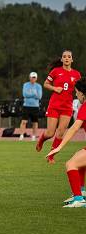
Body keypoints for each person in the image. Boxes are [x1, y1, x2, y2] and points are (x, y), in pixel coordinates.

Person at [46, 78, 86, 208]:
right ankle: (82, 193)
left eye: (76, 92)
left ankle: (79, 199)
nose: (76, 95)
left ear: (83, 93)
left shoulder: (85, 107)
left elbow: (74, 128)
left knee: (71, 164)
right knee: (78, 157)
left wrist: (59, 147)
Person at [36, 50, 81, 163]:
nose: (66, 58)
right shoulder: (56, 71)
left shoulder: (76, 74)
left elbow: (80, 89)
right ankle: (41, 140)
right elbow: (46, 84)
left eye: (69, 56)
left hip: (67, 106)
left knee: (61, 132)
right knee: (50, 133)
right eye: (64, 56)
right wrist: (55, 88)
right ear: (61, 59)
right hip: (54, 105)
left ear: (72, 59)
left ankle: (51, 156)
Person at [19, 72, 42, 141]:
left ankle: (34, 136)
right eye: (32, 77)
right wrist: (34, 94)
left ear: (36, 78)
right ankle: (21, 135)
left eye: (34, 77)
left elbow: (39, 96)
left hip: (35, 106)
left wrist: (30, 94)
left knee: (35, 122)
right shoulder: (26, 85)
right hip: (26, 106)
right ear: (29, 77)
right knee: (24, 121)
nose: (33, 79)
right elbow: (25, 94)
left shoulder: (38, 86)